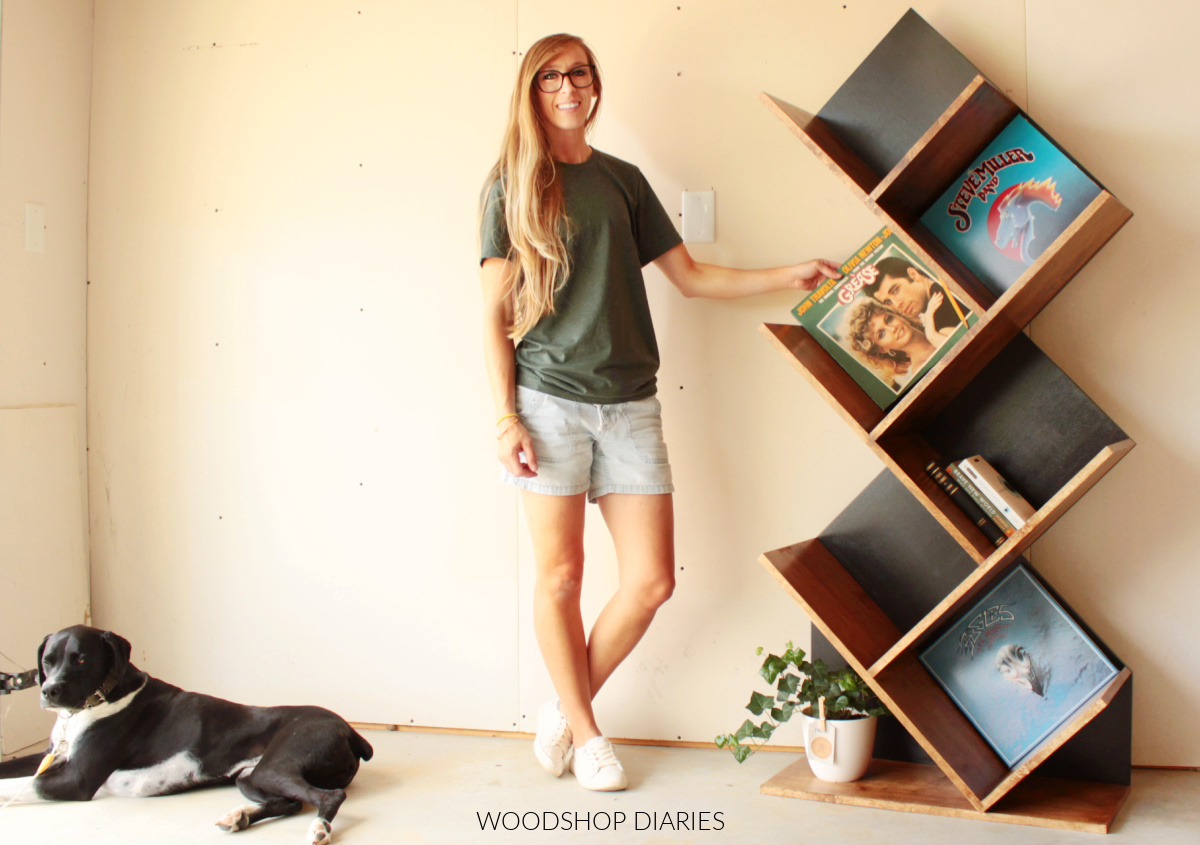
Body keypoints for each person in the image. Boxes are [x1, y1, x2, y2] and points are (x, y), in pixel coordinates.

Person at [479, 33, 839, 792]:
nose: (569, 86)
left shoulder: (623, 181)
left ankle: (562, 710)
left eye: (579, 73)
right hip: (548, 405)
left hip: (632, 404)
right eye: (551, 77)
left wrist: (792, 274)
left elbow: (692, 277)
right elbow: (491, 317)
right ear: (532, 92)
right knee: (562, 577)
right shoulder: (510, 185)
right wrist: (506, 418)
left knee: (649, 581)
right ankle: (589, 734)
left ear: (593, 84)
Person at [861, 256, 967, 344]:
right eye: (888, 302)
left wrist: (931, 335)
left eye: (895, 290)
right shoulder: (934, 307)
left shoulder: (941, 310)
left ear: (913, 275)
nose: (897, 305)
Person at [844, 298, 936, 384]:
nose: (892, 329)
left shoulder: (934, 316)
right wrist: (933, 335)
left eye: (889, 319)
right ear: (883, 349)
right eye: (881, 334)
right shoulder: (921, 367)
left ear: (897, 315)